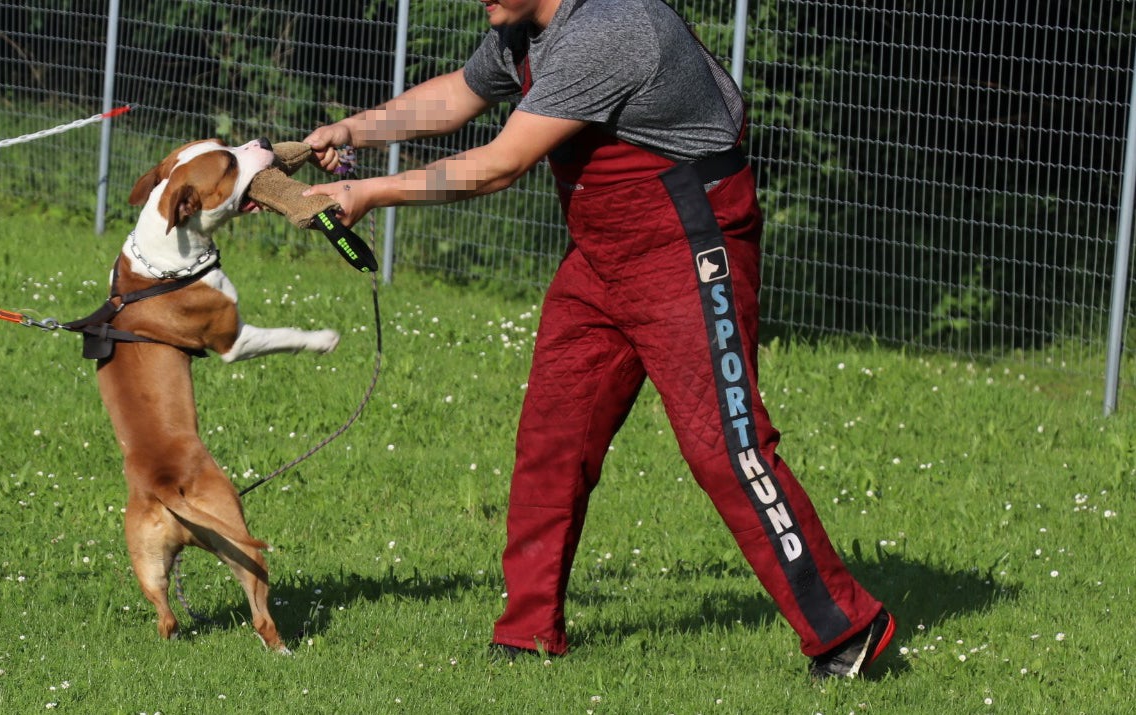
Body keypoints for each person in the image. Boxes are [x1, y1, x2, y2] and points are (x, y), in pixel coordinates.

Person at [302, 0, 894, 680]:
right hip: (602, 253)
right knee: (553, 438)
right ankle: (527, 633)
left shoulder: (611, 29)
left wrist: (369, 193)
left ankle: (848, 624)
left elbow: (499, 164)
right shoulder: (522, 31)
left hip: (688, 241)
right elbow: (457, 97)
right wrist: (354, 129)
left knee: (724, 447)